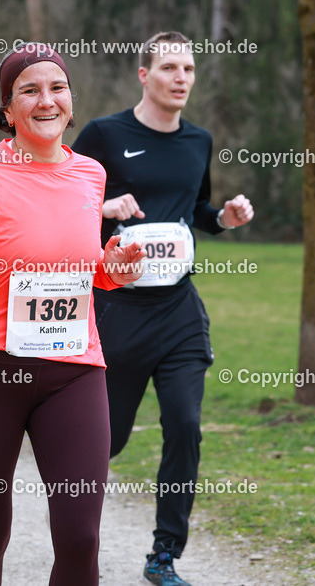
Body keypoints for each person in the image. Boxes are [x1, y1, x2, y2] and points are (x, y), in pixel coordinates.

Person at [0, 43, 144, 585]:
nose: (46, 100)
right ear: (7, 109)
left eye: (57, 88)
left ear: (71, 101)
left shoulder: (90, 174)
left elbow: (75, 266)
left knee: (80, 538)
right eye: (29, 90)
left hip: (72, 370)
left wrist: (111, 268)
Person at [71, 31, 254, 586]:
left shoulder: (198, 140)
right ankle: (76, 538)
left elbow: (194, 208)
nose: (181, 78)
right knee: (109, 440)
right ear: (144, 75)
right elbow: (64, 202)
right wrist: (104, 207)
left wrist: (223, 218)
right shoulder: (104, 134)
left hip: (178, 310)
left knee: (186, 424)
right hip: (118, 309)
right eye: (170, 67)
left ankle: (163, 555)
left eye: (190, 68)